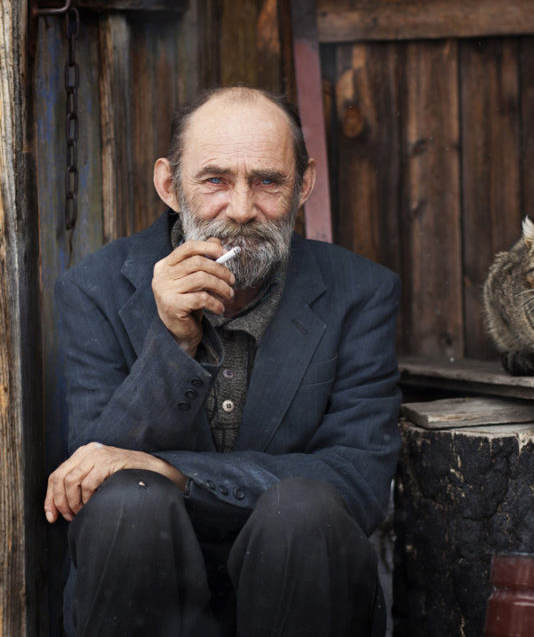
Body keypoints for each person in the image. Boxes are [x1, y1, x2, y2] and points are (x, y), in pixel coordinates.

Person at [44, 86, 402, 636]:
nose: (240, 210)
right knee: (126, 504)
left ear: (303, 184)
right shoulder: (94, 289)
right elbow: (88, 475)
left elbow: (358, 483)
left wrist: (178, 473)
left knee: (302, 510)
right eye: (215, 180)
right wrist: (172, 341)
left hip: (304, 593)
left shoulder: (360, 292)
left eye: (267, 182)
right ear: (170, 185)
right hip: (142, 590)